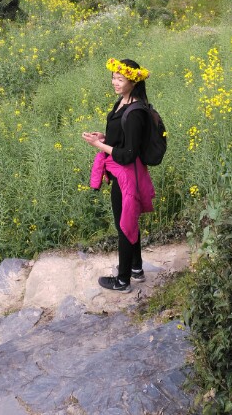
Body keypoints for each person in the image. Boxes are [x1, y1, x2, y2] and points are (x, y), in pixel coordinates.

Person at [82, 58, 156, 292]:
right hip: (120, 172)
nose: (114, 81)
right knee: (128, 221)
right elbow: (122, 138)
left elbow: (127, 154)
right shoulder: (122, 102)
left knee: (124, 225)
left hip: (127, 175)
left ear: (133, 81)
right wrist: (105, 138)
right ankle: (136, 268)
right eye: (113, 77)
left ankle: (123, 281)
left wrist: (98, 146)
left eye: (120, 78)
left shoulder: (135, 113)